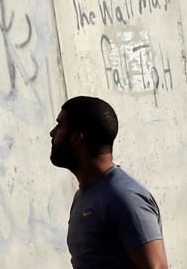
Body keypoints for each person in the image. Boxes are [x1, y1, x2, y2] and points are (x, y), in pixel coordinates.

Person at [50, 95, 167, 269]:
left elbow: (156, 267)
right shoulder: (84, 195)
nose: (52, 133)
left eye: (59, 126)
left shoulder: (124, 197)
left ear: (78, 138)